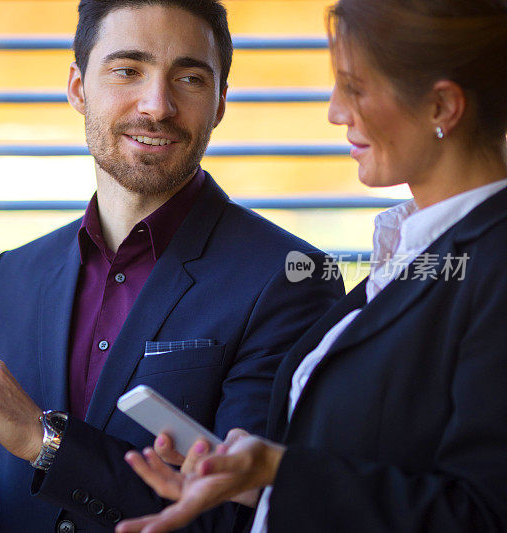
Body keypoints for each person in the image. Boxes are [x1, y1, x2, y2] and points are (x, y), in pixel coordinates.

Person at [0, 1, 345, 532]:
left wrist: (43, 441)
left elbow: (242, 517)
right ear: (77, 88)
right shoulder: (15, 278)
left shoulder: (289, 279)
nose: (157, 105)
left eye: (189, 78)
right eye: (127, 71)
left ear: (220, 103)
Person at [117, 0, 507, 531]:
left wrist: (281, 470)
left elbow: (483, 515)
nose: (335, 111)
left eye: (355, 87)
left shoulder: (493, 266)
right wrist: (258, 480)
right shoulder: (418, 248)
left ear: (441, 107)